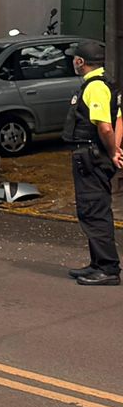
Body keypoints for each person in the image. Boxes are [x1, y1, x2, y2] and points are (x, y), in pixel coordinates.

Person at [66, 39, 120, 286]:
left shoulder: (95, 87)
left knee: (94, 211)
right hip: (95, 155)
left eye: (74, 59)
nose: (72, 62)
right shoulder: (105, 84)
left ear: (80, 61)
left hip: (90, 156)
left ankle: (108, 268)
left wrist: (111, 150)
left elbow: (105, 127)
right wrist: (115, 150)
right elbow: (119, 120)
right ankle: (97, 263)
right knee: (91, 210)